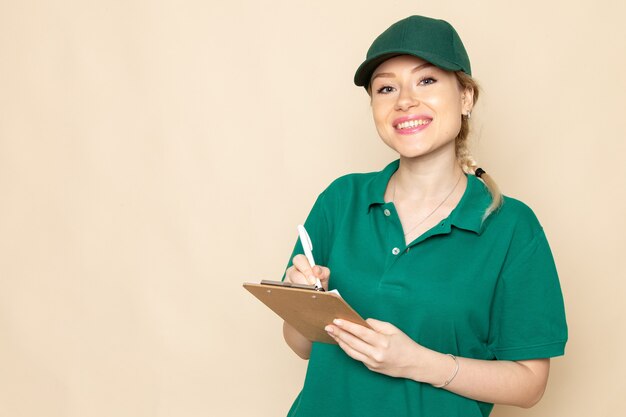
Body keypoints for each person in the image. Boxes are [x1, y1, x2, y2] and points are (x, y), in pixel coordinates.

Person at [282, 15, 567, 417]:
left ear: (466, 97)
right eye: (386, 88)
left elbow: (530, 384)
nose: (404, 100)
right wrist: (304, 303)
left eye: (427, 81)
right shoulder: (340, 199)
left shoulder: (512, 227)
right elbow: (301, 345)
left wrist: (415, 361)